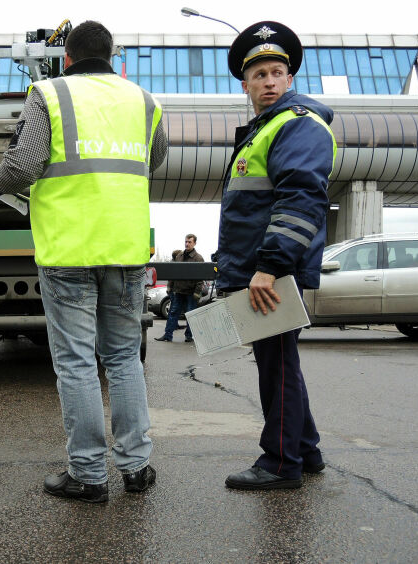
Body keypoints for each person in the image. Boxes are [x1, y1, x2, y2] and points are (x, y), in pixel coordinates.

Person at [0, 20, 168, 503]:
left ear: (67, 56)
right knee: (124, 359)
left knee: (78, 362)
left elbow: (22, 166)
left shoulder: (50, 93)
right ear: (112, 53)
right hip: (124, 249)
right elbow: (156, 159)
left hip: (68, 249)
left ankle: (88, 474)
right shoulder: (144, 101)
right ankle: (137, 467)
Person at [214, 21, 336, 490]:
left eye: (276, 72)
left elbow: (301, 200)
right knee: (280, 362)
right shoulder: (264, 130)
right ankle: (306, 449)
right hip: (259, 271)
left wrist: (269, 267)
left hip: (271, 273)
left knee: (278, 367)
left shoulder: (298, 125)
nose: (268, 81)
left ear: (289, 79)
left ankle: (281, 464)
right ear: (245, 84)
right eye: (259, 74)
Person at [155, 234, 204, 343]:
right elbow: (173, 273)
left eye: (189, 242)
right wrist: (170, 286)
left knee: (191, 315)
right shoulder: (179, 256)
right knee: (173, 313)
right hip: (179, 291)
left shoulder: (198, 258)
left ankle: (189, 336)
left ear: (194, 243)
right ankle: (168, 335)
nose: (187, 244)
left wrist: (197, 292)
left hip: (191, 292)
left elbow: (201, 278)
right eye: (186, 241)